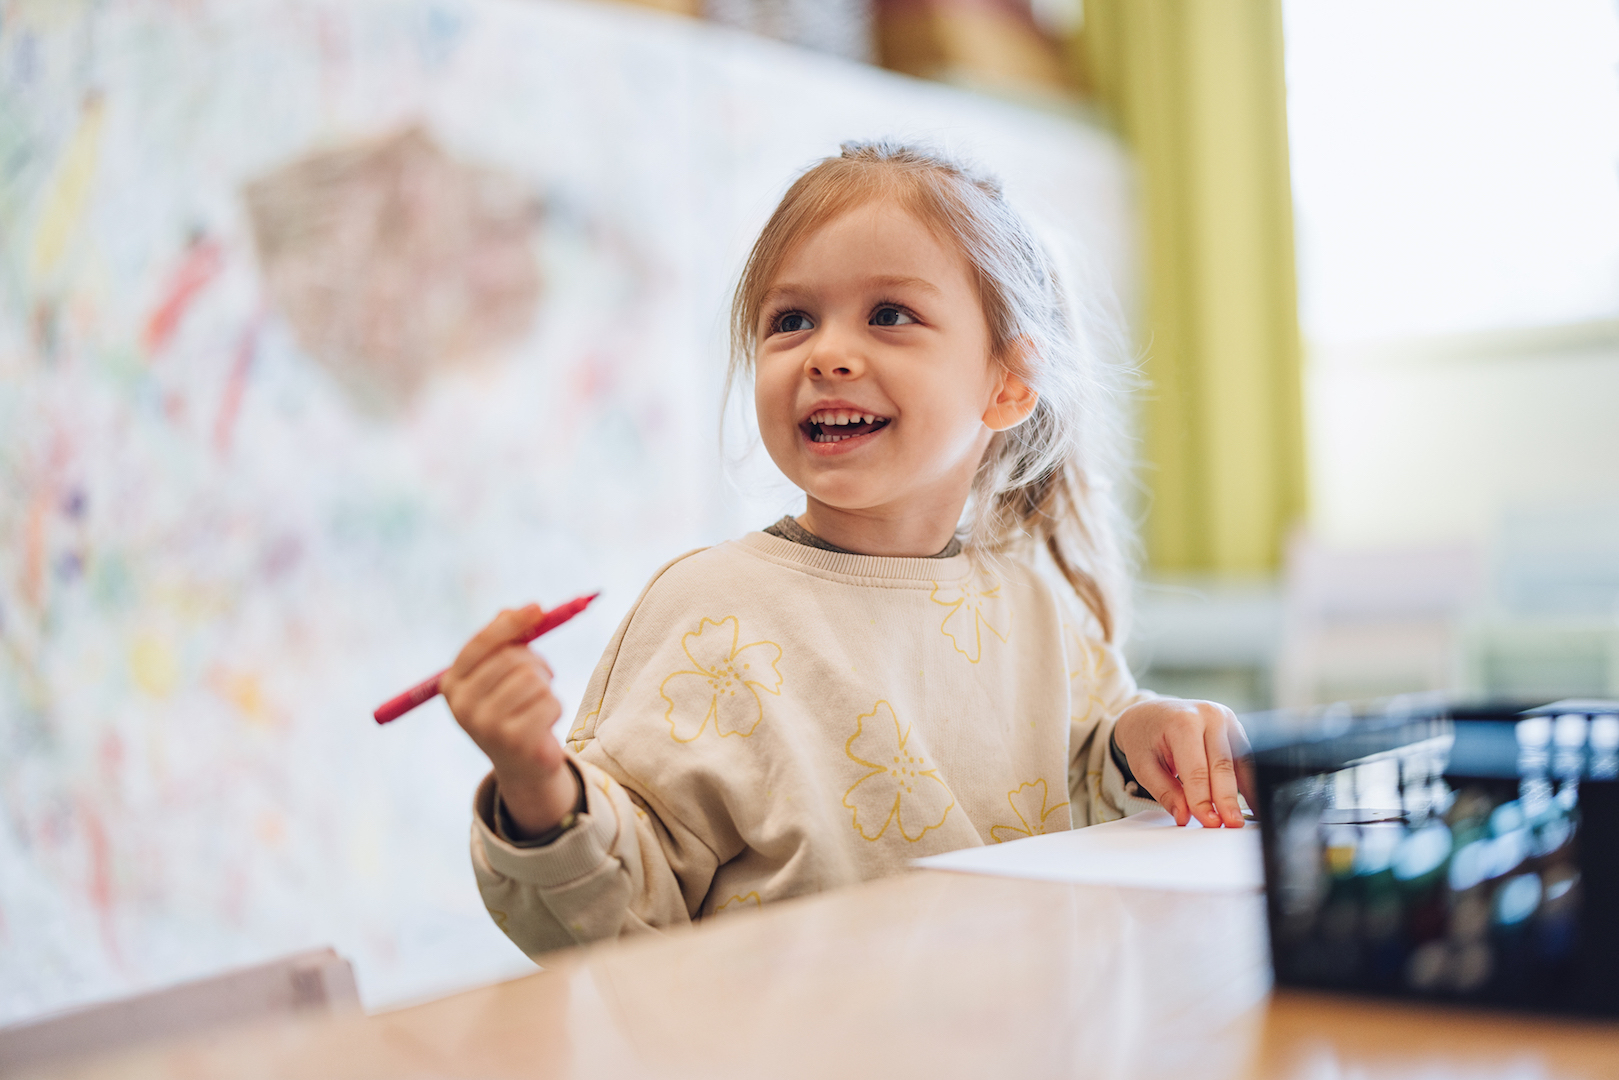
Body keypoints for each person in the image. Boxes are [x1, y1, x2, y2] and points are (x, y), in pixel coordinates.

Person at [443, 143, 1255, 958]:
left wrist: (1146, 734)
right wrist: (538, 785)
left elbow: (1094, 778)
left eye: (888, 315)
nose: (826, 353)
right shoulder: (709, 612)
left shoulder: (1034, 610)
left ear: (1007, 384)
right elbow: (612, 913)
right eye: (790, 320)